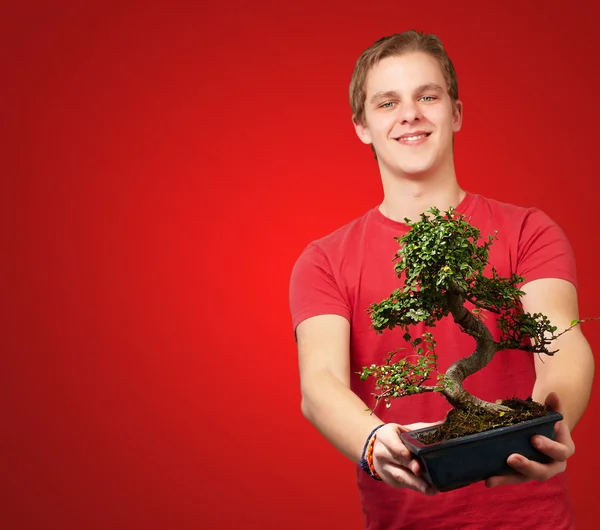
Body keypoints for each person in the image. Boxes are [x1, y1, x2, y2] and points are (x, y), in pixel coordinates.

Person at [288, 30, 595, 529]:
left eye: (427, 96)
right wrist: (373, 441)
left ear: (455, 113)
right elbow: (319, 383)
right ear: (362, 127)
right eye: (387, 102)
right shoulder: (323, 260)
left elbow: (561, 338)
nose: (410, 114)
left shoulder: (527, 231)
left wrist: (543, 425)